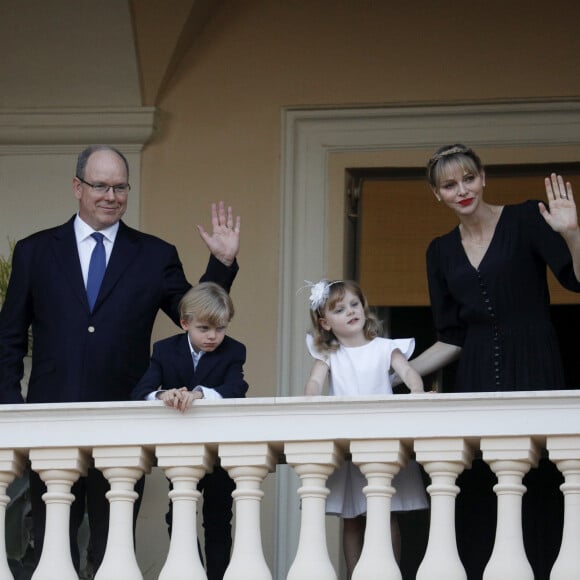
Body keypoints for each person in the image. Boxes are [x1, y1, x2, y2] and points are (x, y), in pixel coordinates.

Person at [0, 145, 241, 574]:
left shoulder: (153, 254)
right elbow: (9, 338)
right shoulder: (35, 251)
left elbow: (194, 315)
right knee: (50, 550)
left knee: (114, 550)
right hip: (50, 420)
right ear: (77, 187)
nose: (111, 196)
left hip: (124, 418)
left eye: (120, 187)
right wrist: (13, 412)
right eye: (100, 186)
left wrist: (221, 263)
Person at [409, 143, 580, 579]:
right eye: (450, 185)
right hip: (476, 375)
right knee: (480, 485)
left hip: (536, 364)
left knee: (539, 481)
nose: (462, 189)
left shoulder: (525, 219)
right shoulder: (438, 251)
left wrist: (572, 233)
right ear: (437, 195)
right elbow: (452, 336)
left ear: (483, 177)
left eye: (468, 178)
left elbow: (577, 280)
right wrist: (396, 371)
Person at [303, 279, 429, 579]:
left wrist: (417, 394)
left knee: (385, 513)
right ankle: (354, 574)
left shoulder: (385, 348)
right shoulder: (329, 355)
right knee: (352, 517)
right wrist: (308, 403)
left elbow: (409, 372)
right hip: (349, 441)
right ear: (326, 323)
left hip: (382, 437)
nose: (350, 311)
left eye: (354, 304)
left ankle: (390, 572)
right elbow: (315, 382)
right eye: (339, 309)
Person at [132, 281, 248, 580]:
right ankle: (193, 572)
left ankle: (217, 576)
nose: (213, 336)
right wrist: (162, 395)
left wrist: (198, 393)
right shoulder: (165, 350)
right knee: (178, 515)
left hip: (220, 449)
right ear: (185, 323)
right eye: (205, 328)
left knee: (219, 517)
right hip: (181, 450)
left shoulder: (234, 351)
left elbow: (236, 389)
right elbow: (141, 390)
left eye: (220, 328)